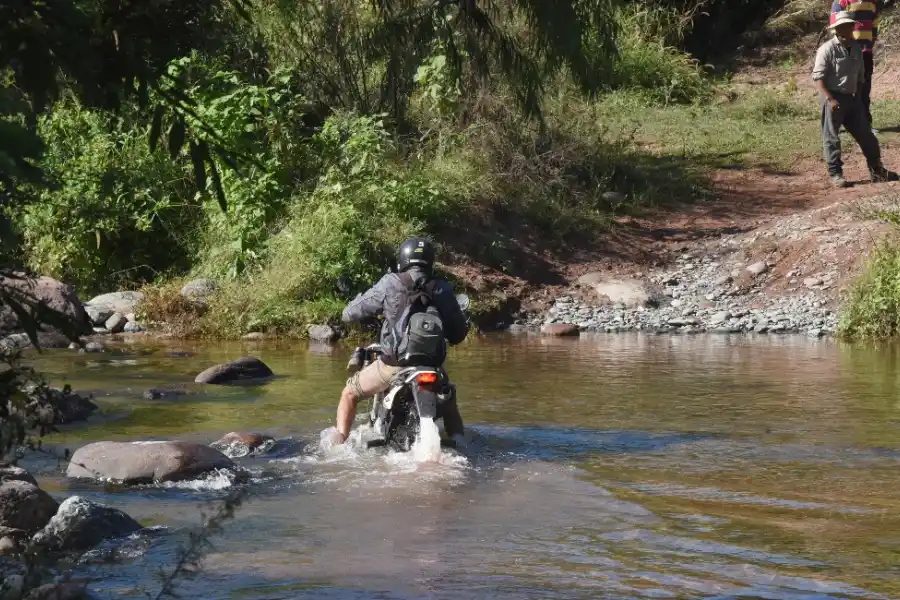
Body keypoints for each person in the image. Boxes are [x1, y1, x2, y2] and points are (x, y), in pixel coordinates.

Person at [328, 236, 468, 445]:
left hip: (394, 365)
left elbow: (349, 314)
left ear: (403, 258)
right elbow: (458, 334)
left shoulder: (390, 282)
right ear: (430, 261)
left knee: (349, 393)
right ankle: (460, 441)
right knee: (448, 397)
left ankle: (338, 446)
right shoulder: (443, 289)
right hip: (431, 367)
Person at [813, 11, 898, 188]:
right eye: (847, 25)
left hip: (852, 99)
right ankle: (836, 174)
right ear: (838, 29)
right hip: (832, 98)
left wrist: (858, 98)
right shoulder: (827, 49)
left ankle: (877, 171)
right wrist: (830, 99)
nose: (851, 28)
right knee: (832, 138)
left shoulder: (857, 48)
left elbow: (861, 77)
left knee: (867, 136)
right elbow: (818, 78)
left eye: (851, 25)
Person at [830, 0, 896, 133]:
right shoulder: (842, 2)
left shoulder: (872, 3)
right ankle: (836, 124)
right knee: (842, 89)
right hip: (846, 53)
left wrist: (869, 44)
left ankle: (865, 124)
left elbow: (874, 25)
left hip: (865, 53)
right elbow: (834, 27)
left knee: (864, 90)